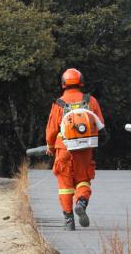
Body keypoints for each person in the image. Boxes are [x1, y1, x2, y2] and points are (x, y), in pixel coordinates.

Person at [45, 68, 106, 230]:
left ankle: (68, 220)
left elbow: (51, 130)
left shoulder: (58, 103)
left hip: (63, 148)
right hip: (85, 149)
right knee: (83, 180)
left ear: (63, 84)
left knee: (65, 185)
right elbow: (100, 125)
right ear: (81, 82)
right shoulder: (90, 100)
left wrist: (50, 146)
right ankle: (81, 202)